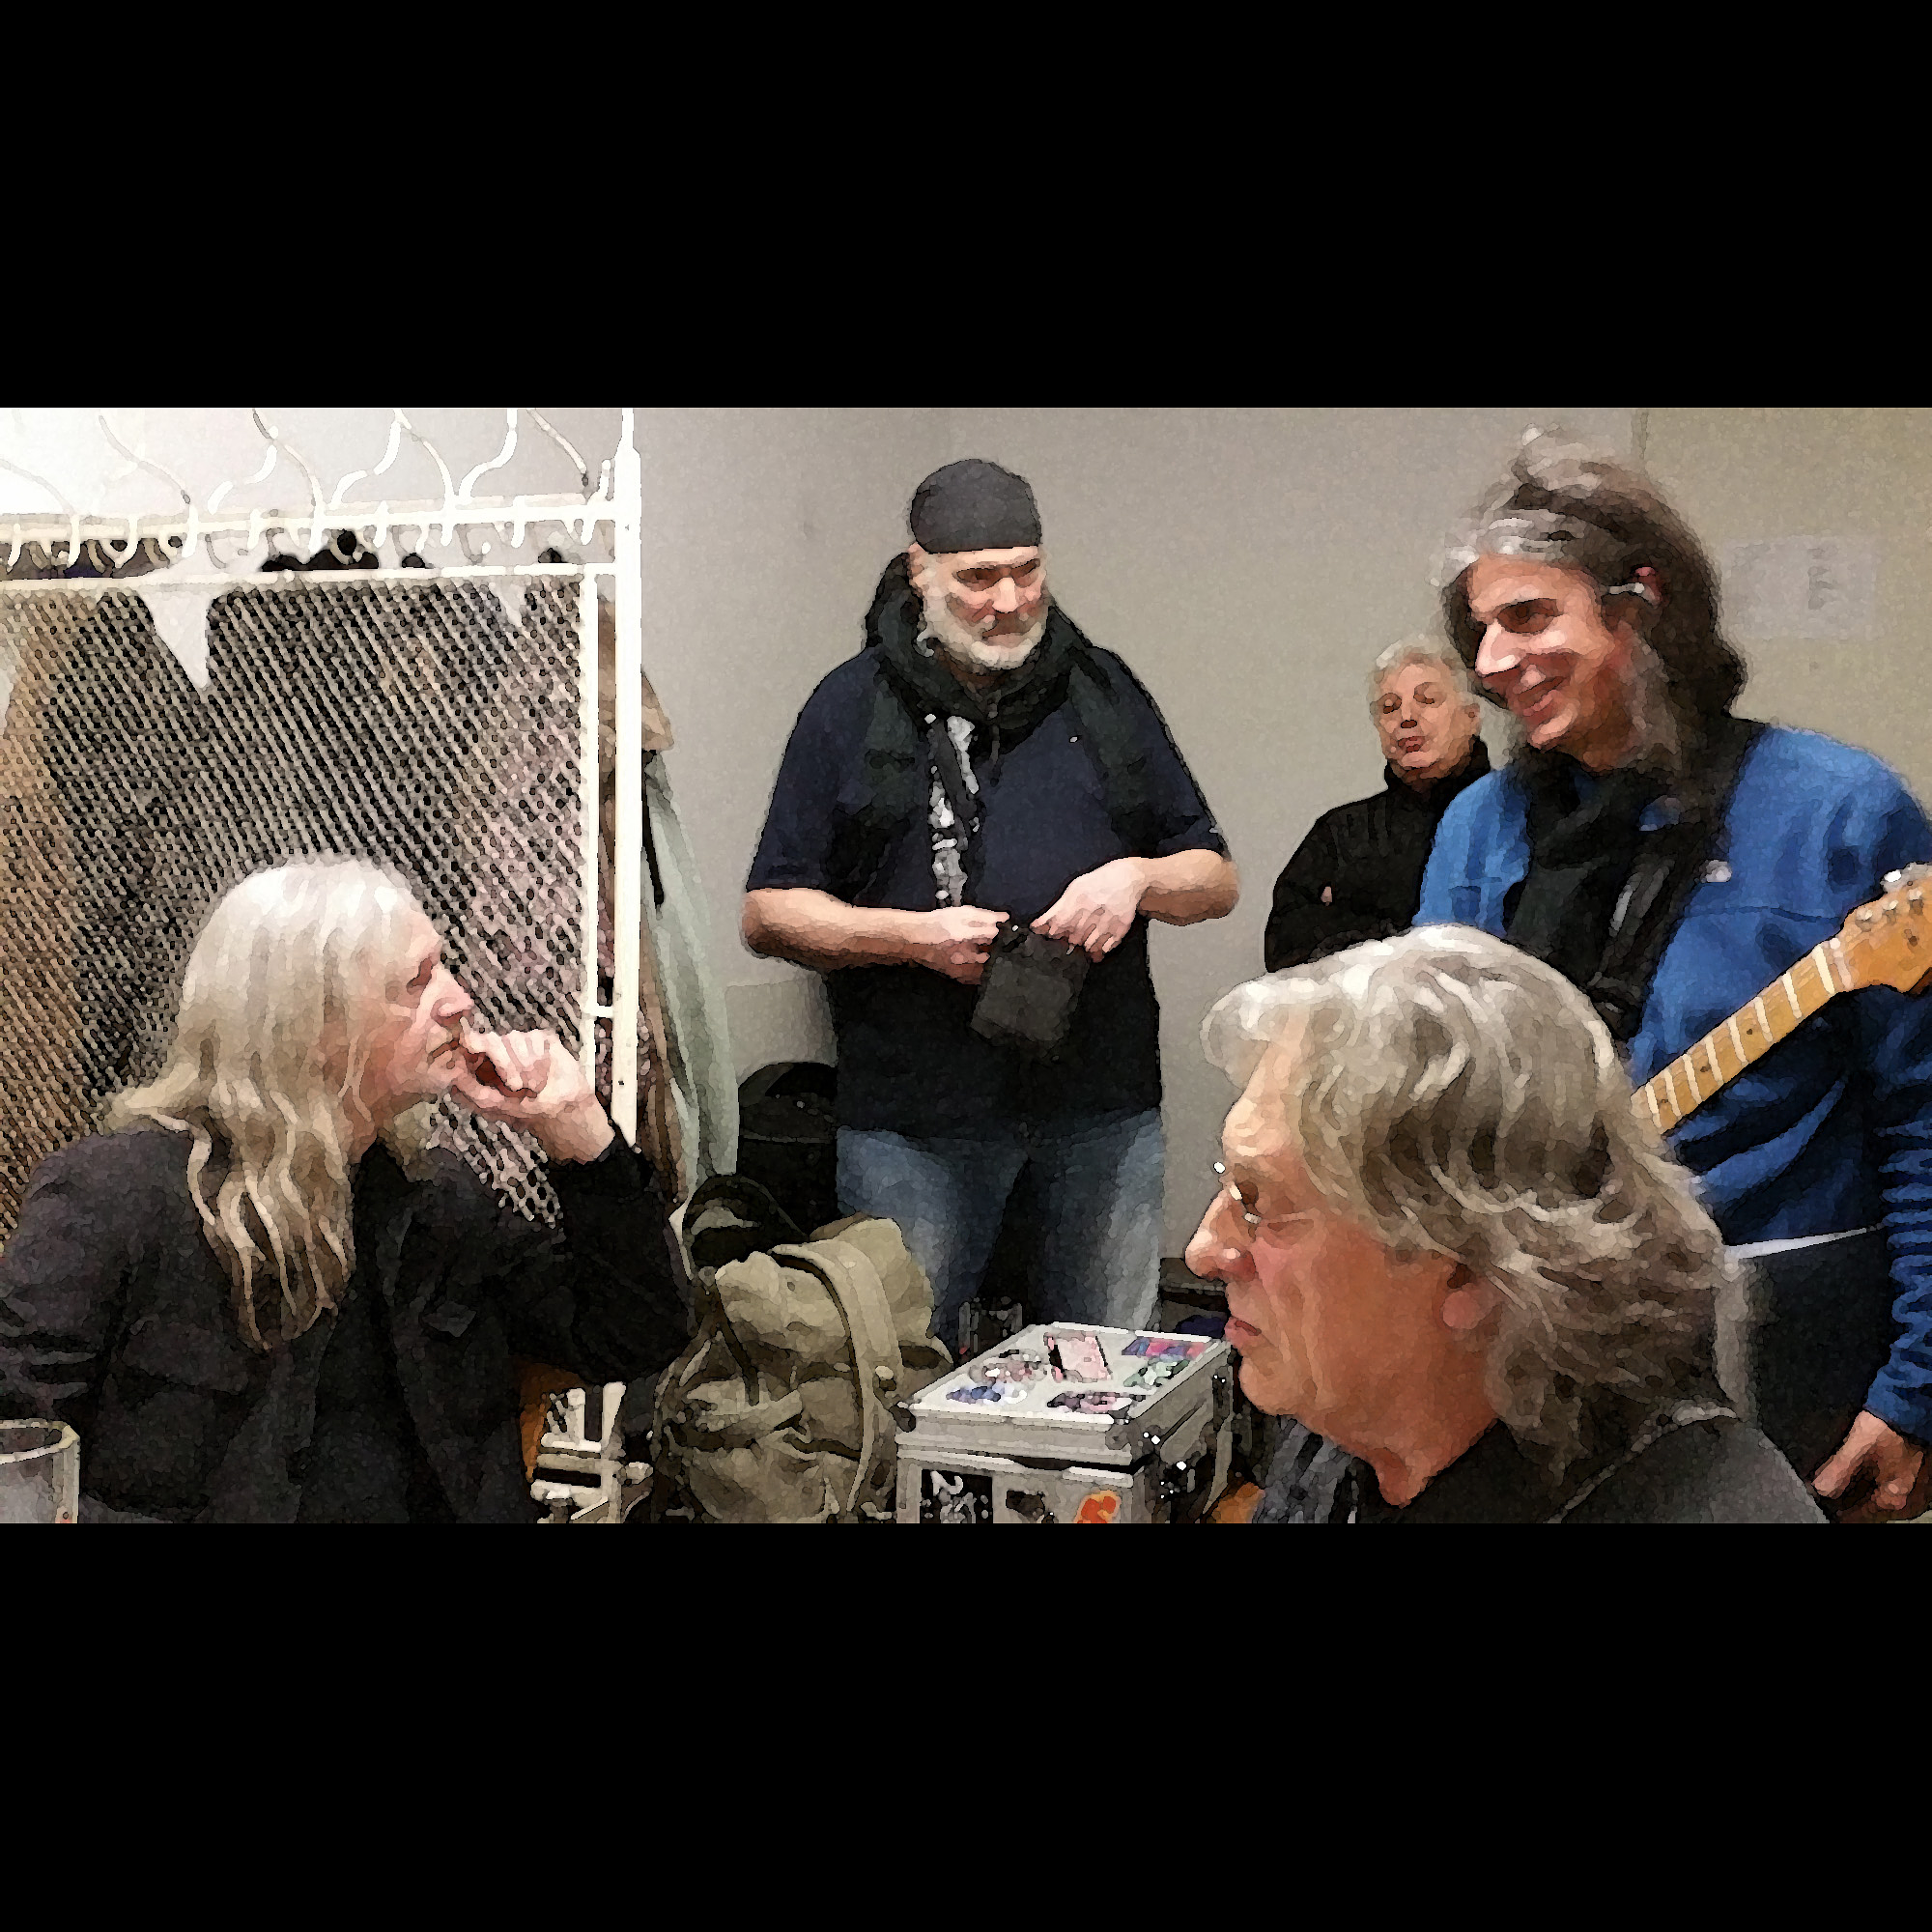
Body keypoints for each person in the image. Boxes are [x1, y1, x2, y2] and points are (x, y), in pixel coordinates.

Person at [1418, 433, 1932, 1520]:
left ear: (1640, 603)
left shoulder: (1838, 812)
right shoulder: (1477, 830)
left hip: (1779, 1356)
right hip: (1532, 1361)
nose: (1493, 662)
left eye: (1528, 617)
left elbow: (1923, 1121)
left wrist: (1917, 1386)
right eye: (1479, 631)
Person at [0, 858, 687, 1522]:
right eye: (417, 982)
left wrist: (577, 1133)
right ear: (311, 1027)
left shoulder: (432, 1199)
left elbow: (637, 1333)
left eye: (443, 967)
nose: (460, 1000)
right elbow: (17, 1470)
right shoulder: (112, 1200)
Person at [743, 459, 1237, 1351]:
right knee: (898, 1373)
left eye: (1027, 571)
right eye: (978, 577)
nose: (1008, 601)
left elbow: (1214, 877)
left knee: (1105, 1368)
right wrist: (913, 939)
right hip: (913, 1122)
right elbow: (769, 913)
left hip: (1101, 1110)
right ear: (919, 571)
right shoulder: (848, 706)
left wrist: (1135, 879)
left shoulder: (1105, 692)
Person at [1185, 926, 1824, 1522]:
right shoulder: (1346, 1432)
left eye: (1258, 1203)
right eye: (1229, 1183)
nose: (1204, 1251)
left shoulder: (1698, 1503)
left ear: (1469, 1268)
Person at [1263, 637, 1491, 973]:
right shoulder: (1342, 831)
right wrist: (1394, 941)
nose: (1407, 718)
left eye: (1428, 699)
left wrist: (1347, 923)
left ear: (1471, 717)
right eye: (1389, 708)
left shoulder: (1511, 810)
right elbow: (1283, 944)